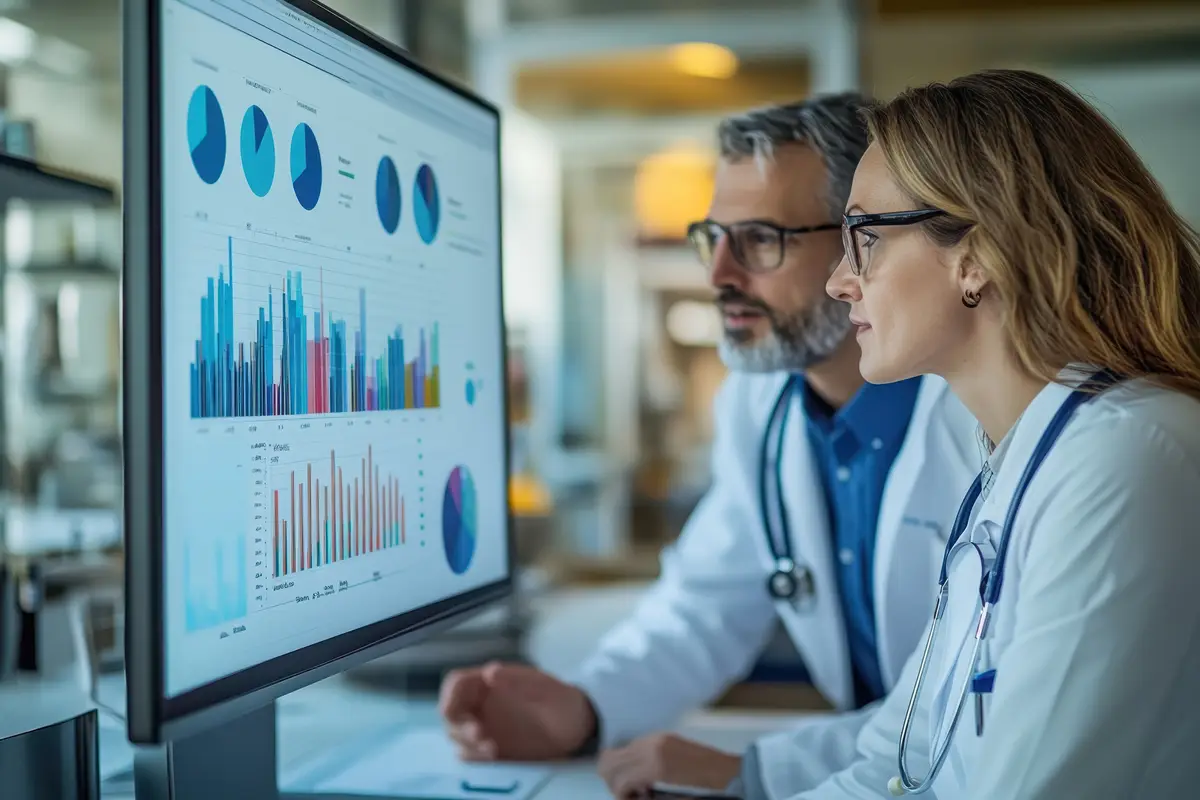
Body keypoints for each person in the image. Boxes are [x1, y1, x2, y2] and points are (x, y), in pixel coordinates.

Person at [438, 95, 978, 799]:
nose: (719, 275)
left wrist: (755, 773)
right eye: (713, 237)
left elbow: (969, 705)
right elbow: (705, 606)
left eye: (759, 240)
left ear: (863, 239)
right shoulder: (762, 405)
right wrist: (585, 709)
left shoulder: (978, 413)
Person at [800, 68, 1200, 800]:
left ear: (976, 255)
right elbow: (889, 769)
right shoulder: (1015, 464)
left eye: (865, 236)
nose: (840, 281)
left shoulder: (1125, 457)